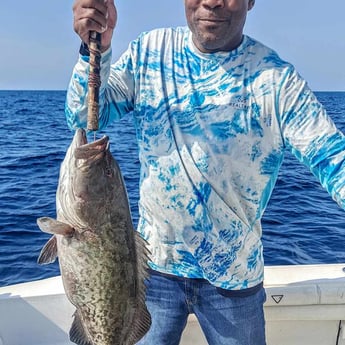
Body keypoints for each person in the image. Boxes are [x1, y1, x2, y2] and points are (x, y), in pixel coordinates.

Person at [67, 0, 345, 344]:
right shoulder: (150, 53)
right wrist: (95, 50)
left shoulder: (276, 81)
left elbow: (335, 159)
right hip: (151, 273)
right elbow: (83, 120)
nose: (211, 1)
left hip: (234, 282)